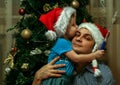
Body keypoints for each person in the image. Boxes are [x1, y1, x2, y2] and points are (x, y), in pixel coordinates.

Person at [32, 22, 116, 85]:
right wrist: (37, 78)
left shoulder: (103, 74)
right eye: (77, 34)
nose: (78, 39)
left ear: (95, 48)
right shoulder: (56, 63)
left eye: (87, 38)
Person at [39, 6, 104, 85]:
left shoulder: (69, 43)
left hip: (63, 79)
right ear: (64, 28)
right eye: (73, 25)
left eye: (87, 38)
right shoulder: (61, 42)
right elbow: (76, 58)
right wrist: (94, 55)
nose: (77, 27)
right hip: (55, 79)